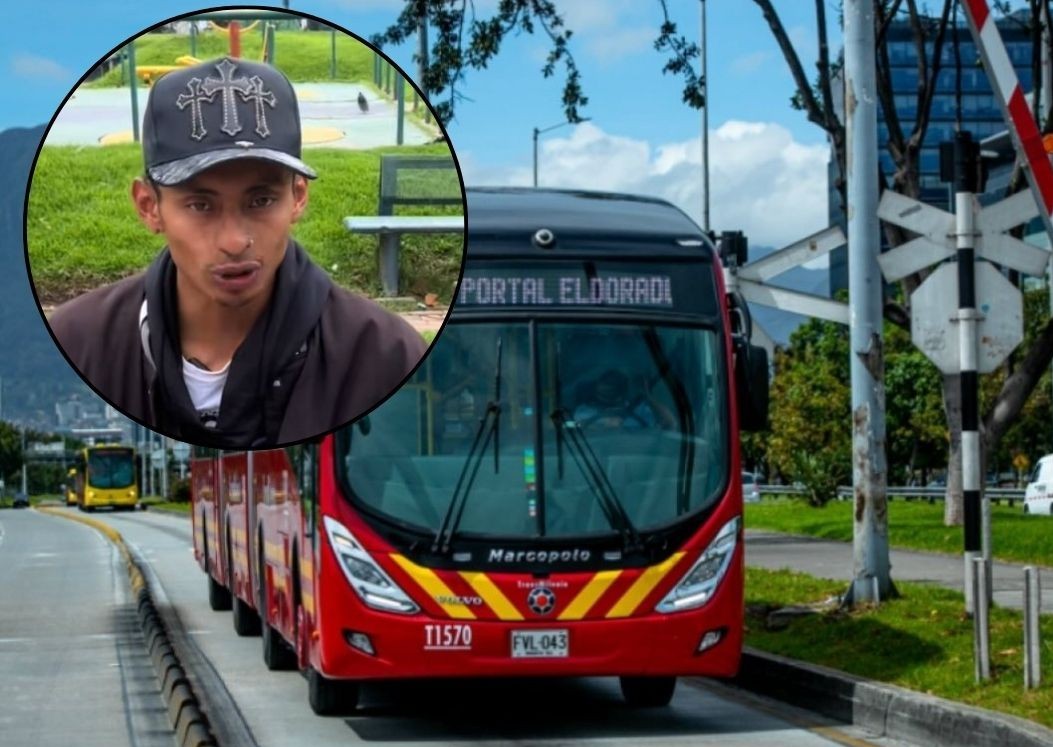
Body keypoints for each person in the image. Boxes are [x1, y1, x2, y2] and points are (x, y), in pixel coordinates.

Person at [48, 57, 427, 448]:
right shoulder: (79, 343)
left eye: (260, 200)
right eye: (200, 205)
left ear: (297, 198)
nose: (233, 241)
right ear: (149, 207)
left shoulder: (385, 357)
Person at [572, 369, 674, 431]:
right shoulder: (584, 411)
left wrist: (648, 397)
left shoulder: (640, 411)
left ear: (622, 393)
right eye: (602, 390)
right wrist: (603, 428)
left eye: (611, 390)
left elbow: (671, 424)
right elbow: (572, 427)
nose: (605, 393)